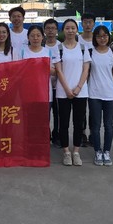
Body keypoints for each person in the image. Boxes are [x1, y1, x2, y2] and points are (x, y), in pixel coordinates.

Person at [55, 19, 91, 166]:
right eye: (67, 28)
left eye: (73, 28)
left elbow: (86, 69)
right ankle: (66, 152)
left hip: (80, 92)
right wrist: (67, 89)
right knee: (63, 123)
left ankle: (76, 151)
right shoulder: (58, 48)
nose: (70, 31)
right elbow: (58, 70)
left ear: (77, 30)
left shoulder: (83, 48)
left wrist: (78, 88)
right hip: (63, 92)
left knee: (78, 123)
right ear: (63, 30)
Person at [88, 25, 113, 167]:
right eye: (99, 36)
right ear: (95, 38)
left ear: (108, 37)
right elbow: (87, 72)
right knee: (95, 125)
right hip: (94, 93)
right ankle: (97, 151)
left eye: (105, 36)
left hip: (110, 94)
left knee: (108, 125)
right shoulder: (90, 52)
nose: (102, 38)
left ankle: (107, 151)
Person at [21, 25, 57, 113]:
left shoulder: (48, 52)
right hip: (27, 93)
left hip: (44, 93)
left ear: (42, 37)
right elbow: (18, 71)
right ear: (28, 37)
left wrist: (45, 66)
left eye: (38, 35)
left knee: (44, 119)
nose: (35, 38)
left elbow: (55, 72)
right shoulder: (22, 52)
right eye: (32, 36)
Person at [78, 13, 95, 147]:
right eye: (85, 22)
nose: (88, 25)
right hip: (81, 78)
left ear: (94, 23)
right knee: (82, 109)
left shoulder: (98, 39)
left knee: (94, 109)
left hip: (95, 78)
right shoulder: (77, 40)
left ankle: (93, 134)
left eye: (90, 22)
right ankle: (82, 133)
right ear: (82, 23)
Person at [44, 18, 62, 147]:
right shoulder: (41, 45)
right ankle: (46, 134)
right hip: (44, 86)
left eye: (53, 28)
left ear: (57, 30)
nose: (50, 31)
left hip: (59, 86)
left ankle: (57, 135)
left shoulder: (61, 46)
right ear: (44, 30)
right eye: (48, 28)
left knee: (58, 113)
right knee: (45, 114)